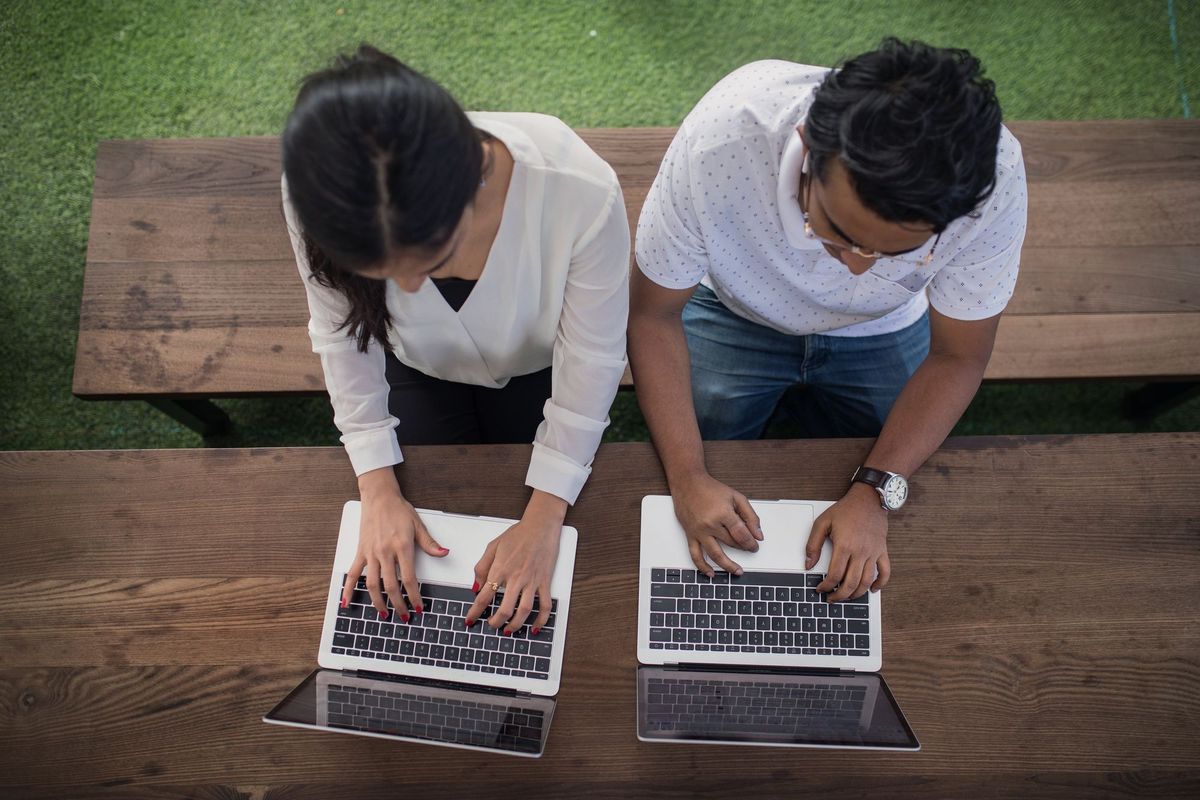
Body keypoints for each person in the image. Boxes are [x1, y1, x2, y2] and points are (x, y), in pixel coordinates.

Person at [629, 39, 1027, 601]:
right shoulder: (721, 142)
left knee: (899, 440)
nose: (860, 268)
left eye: (895, 252)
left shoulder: (994, 181)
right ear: (806, 151)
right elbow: (652, 316)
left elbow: (959, 355)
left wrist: (874, 490)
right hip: (732, 311)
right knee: (704, 432)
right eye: (839, 231)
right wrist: (690, 476)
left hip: (883, 328)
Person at [282, 45, 629, 634]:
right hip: (415, 366)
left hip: (540, 366)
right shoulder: (318, 195)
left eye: (433, 259)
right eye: (381, 272)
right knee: (438, 522)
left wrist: (546, 515)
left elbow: (593, 358)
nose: (408, 288)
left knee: (528, 506)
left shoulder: (582, 192)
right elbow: (343, 334)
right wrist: (376, 484)